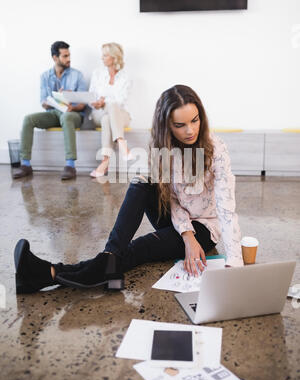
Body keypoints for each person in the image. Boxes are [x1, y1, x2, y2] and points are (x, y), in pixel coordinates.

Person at [13, 84, 244, 295]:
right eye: (180, 125)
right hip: (178, 221)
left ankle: (50, 273)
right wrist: (186, 234)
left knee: (138, 248)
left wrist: (234, 262)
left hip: (204, 227)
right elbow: (171, 199)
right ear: (167, 125)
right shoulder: (161, 149)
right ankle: (107, 262)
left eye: (195, 120)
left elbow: (226, 208)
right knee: (141, 183)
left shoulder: (216, 149)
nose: (190, 130)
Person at [12, 41, 87, 181]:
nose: (68, 59)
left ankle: (70, 165)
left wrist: (71, 105)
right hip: (53, 112)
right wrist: (54, 100)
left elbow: (83, 104)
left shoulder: (77, 75)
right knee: (28, 119)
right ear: (55, 57)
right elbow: (43, 103)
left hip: (73, 114)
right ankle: (25, 164)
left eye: (69, 55)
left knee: (66, 117)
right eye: (65, 56)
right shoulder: (45, 76)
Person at [88, 42, 133, 177]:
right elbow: (91, 96)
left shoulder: (126, 77)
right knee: (107, 114)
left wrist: (105, 100)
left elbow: (121, 101)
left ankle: (105, 161)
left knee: (111, 113)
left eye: (105, 55)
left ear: (114, 57)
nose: (102, 58)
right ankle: (121, 143)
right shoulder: (97, 74)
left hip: (120, 115)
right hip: (98, 113)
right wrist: (98, 102)